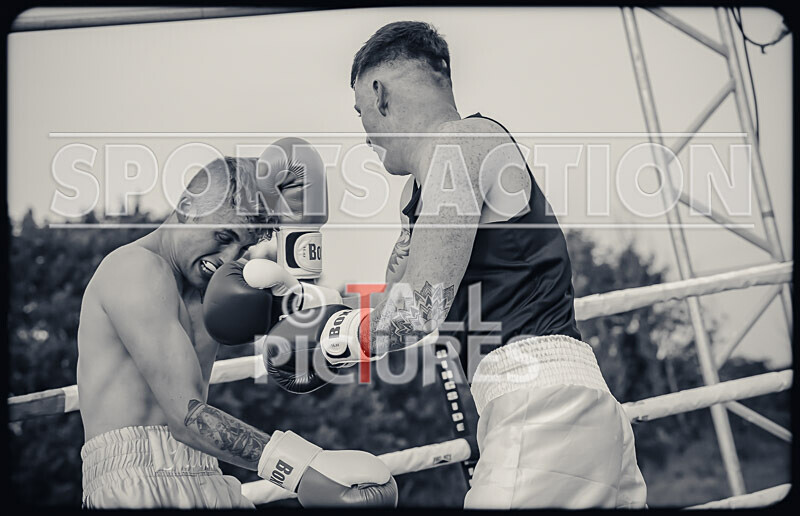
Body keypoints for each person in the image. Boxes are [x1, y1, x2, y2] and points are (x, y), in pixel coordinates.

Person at [263, 22, 647, 509]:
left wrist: (331, 340)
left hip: (541, 407)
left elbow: (419, 309)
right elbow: (394, 310)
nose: (365, 137)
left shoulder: (462, 144)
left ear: (380, 94)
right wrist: (307, 306)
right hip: (556, 405)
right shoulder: (419, 190)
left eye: (361, 113)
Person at [76, 139, 397, 509]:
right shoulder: (135, 269)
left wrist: (394, 282)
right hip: (135, 482)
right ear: (186, 207)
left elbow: (323, 320)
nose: (229, 258)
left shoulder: (212, 290)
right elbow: (187, 417)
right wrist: (301, 468)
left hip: (204, 471)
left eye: (242, 248)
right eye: (224, 236)